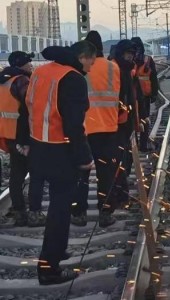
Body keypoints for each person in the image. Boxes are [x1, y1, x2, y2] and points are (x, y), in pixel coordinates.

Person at [26, 41, 96, 285]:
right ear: (82, 57)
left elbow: (30, 107)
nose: (92, 66)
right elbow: (73, 126)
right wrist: (84, 158)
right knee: (59, 210)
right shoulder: (73, 79)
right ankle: (49, 269)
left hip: (39, 147)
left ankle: (59, 250)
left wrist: (26, 142)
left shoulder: (41, 71)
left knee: (60, 207)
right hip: (60, 151)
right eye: (91, 60)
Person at [71, 31, 120, 227]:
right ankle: (106, 212)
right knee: (106, 173)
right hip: (107, 127)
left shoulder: (77, 69)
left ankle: (79, 213)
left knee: (80, 173)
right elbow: (122, 95)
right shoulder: (112, 67)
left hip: (83, 129)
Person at [0, 51, 46, 226]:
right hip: (24, 135)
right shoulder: (21, 81)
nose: (31, 65)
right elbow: (31, 106)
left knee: (16, 174)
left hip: (7, 134)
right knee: (36, 174)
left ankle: (19, 211)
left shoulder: (4, 81)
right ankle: (34, 213)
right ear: (20, 64)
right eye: (28, 62)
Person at [111, 39, 139, 203]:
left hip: (124, 121)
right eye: (128, 54)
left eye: (132, 54)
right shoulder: (115, 68)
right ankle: (119, 194)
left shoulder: (127, 69)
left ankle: (121, 191)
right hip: (115, 123)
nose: (131, 57)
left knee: (124, 156)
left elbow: (132, 95)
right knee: (118, 158)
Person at [131, 37, 159, 152]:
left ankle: (139, 145)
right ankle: (141, 145)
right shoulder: (146, 59)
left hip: (139, 96)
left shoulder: (143, 60)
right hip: (140, 95)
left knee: (138, 120)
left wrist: (154, 93)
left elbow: (153, 78)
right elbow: (154, 78)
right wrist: (154, 94)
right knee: (143, 120)